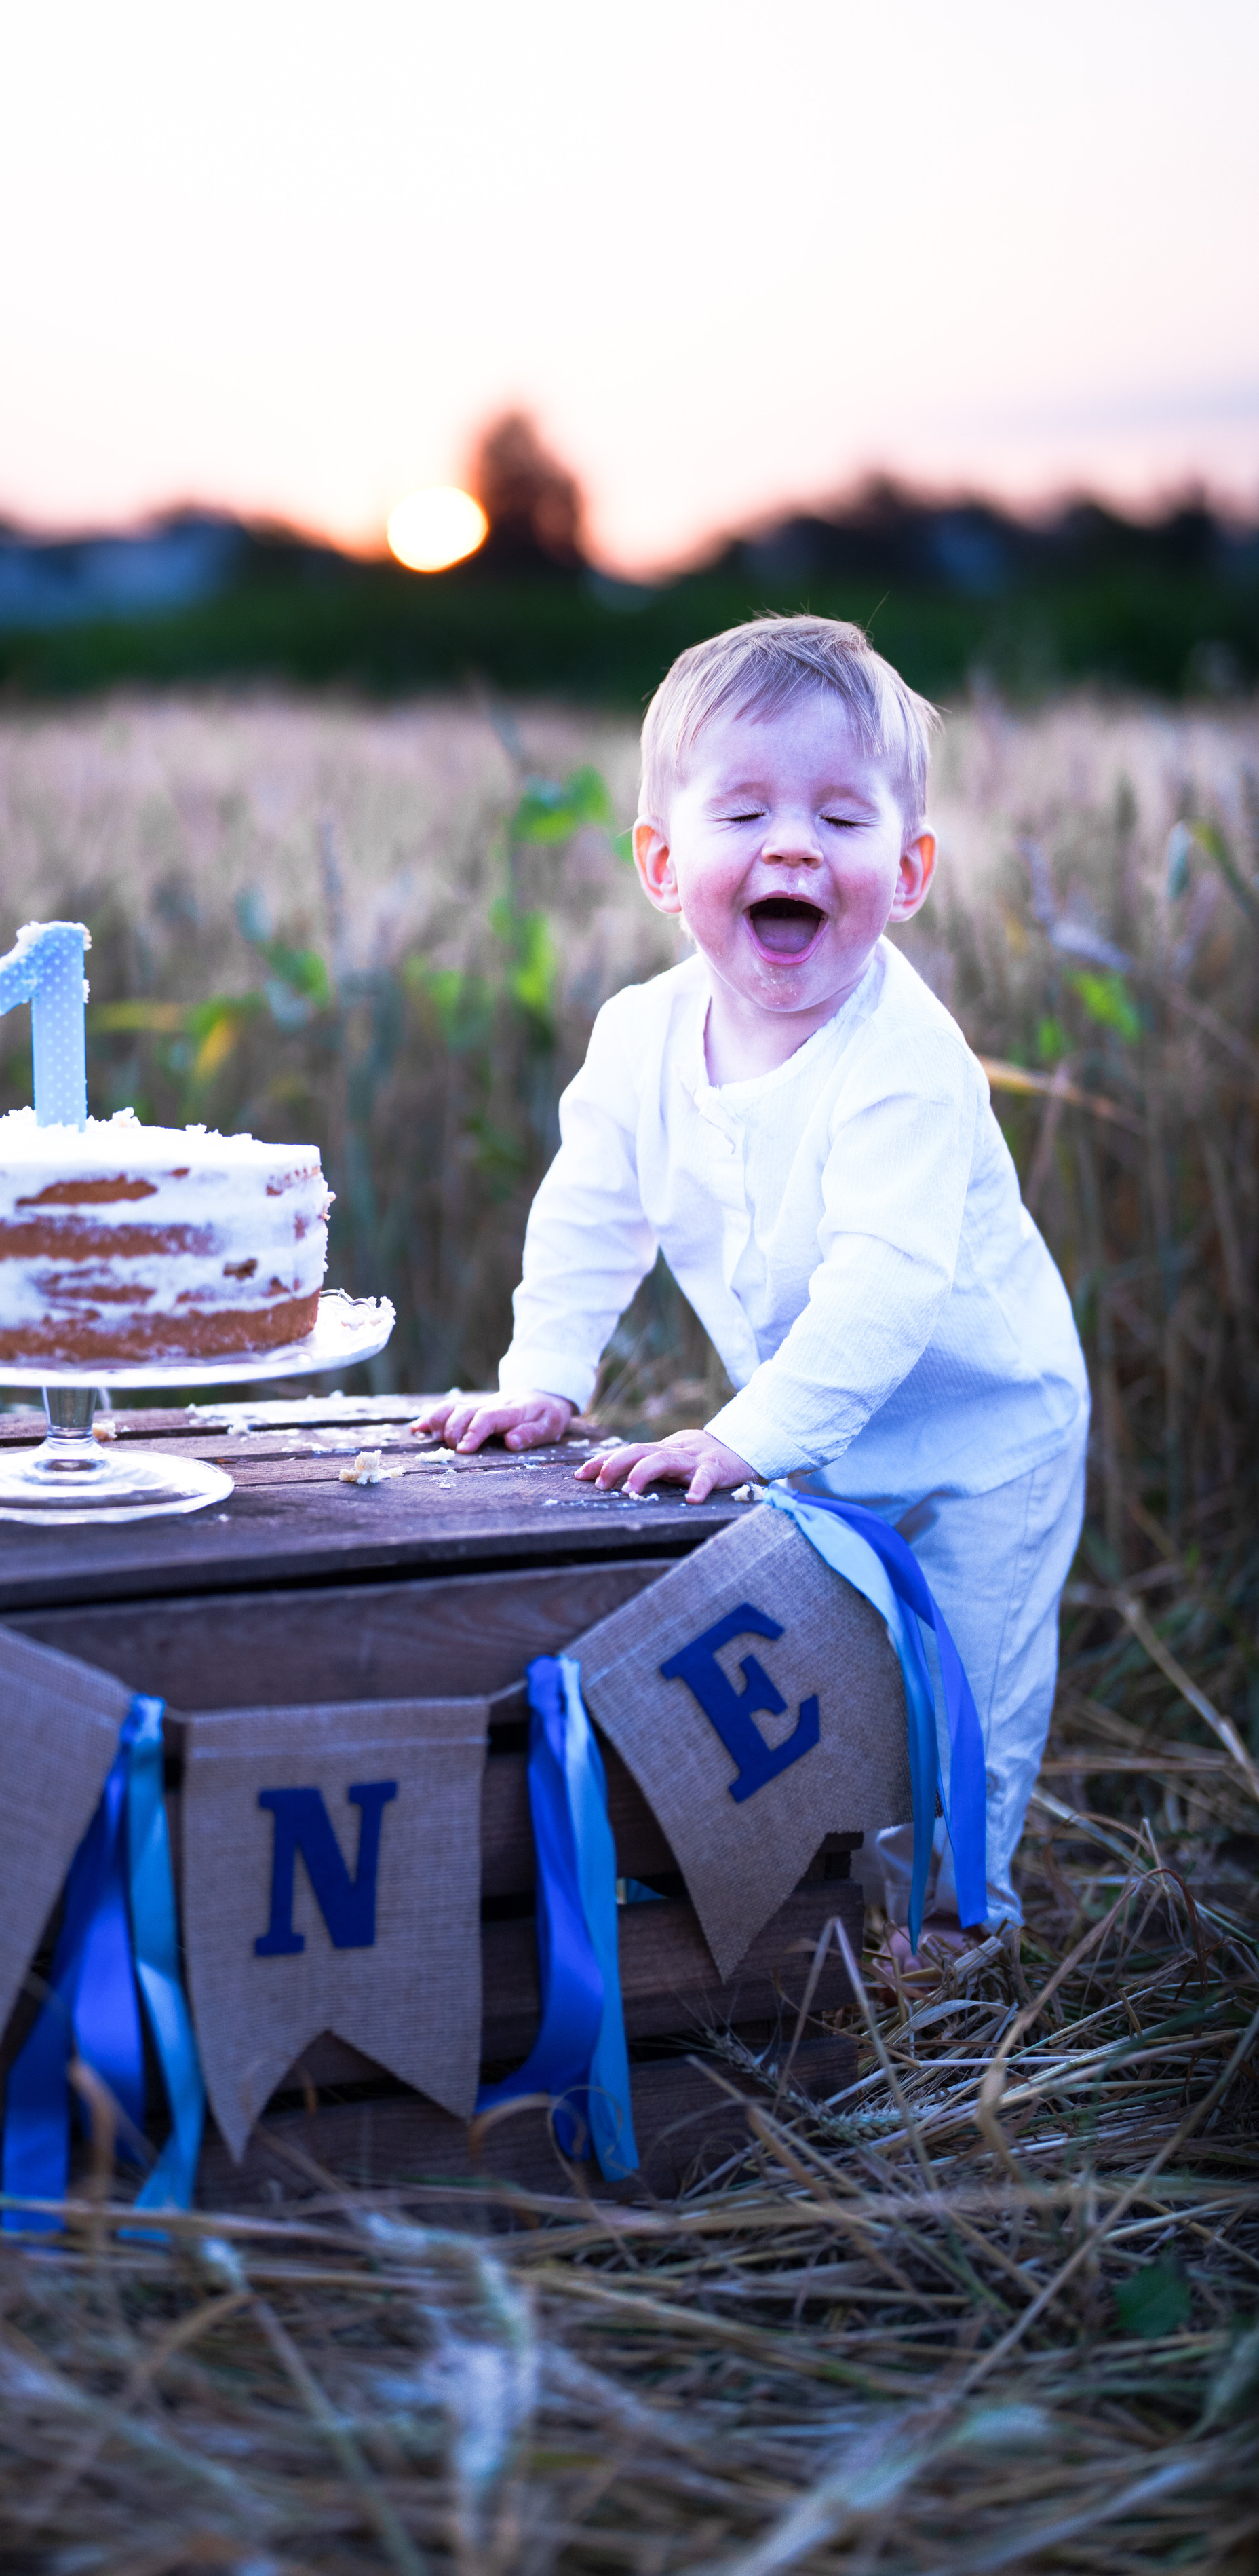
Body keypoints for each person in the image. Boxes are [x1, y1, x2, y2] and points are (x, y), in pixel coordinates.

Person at [414, 615, 1089, 1956]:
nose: (790, 845)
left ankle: (963, 1924)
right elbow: (589, 1218)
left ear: (904, 873)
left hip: (982, 1434)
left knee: (965, 1679)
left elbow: (884, 1286)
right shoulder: (638, 1038)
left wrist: (742, 1438)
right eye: (744, 811)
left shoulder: (902, 1057)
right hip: (805, 1431)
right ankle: (796, 1892)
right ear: (664, 865)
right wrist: (544, 1375)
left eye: (838, 818)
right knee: (811, 1674)